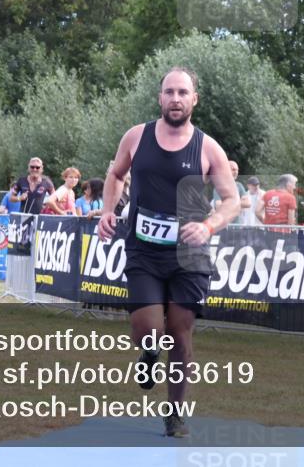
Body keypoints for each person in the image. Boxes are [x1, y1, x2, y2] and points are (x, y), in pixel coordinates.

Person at [97, 67, 241, 438]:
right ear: (159, 98)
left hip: (188, 256)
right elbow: (115, 176)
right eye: (169, 92)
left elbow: (232, 201)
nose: (175, 98)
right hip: (144, 250)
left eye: (183, 92)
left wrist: (208, 226)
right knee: (147, 329)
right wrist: (108, 213)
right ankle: (148, 352)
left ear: (194, 99)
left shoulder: (209, 148)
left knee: (180, 334)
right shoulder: (136, 137)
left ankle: (175, 413)